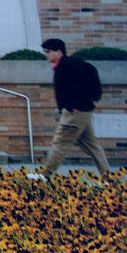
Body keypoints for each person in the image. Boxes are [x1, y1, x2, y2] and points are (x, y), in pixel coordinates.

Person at [35, 37, 110, 176]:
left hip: (75, 112)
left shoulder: (68, 66)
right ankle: (108, 177)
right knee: (92, 145)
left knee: (60, 142)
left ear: (58, 52)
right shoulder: (67, 65)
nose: (46, 54)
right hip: (81, 110)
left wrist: (73, 105)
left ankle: (45, 175)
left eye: (48, 51)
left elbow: (86, 79)